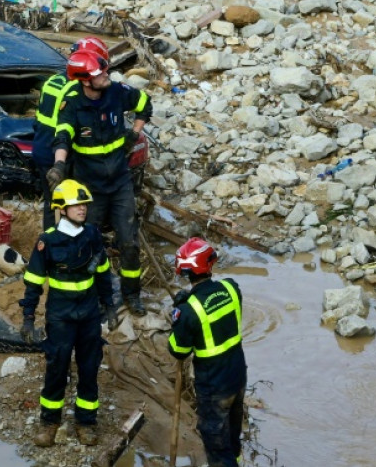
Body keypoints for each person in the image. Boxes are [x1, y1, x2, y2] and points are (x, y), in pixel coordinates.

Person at [49, 49, 153, 316]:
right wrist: (59, 166)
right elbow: (62, 136)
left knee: (128, 243)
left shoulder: (118, 92)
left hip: (119, 183)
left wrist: (134, 133)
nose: (106, 75)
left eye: (105, 70)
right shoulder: (72, 104)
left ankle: (132, 295)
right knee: (89, 245)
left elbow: (145, 105)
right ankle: (95, 298)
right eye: (100, 73)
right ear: (85, 80)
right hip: (90, 188)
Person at [19, 179, 118, 447]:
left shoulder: (93, 235)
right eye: (76, 205)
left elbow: (103, 274)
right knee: (56, 367)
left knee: (89, 368)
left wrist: (109, 306)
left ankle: (86, 423)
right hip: (60, 315)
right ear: (62, 208)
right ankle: (49, 422)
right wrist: (28, 317)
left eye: (84, 205)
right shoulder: (47, 241)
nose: (82, 209)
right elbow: (34, 282)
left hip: (88, 315)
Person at [168, 237, 247, 467]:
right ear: (209, 264)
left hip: (214, 386)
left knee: (216, 444)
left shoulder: (188, 312)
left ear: (185, 272)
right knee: (233, 436)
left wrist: (178, 318)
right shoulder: (232, 288)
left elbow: (178, 351)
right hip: (238, 376)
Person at [32, 36, 109, 231]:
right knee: (77, 201)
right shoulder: (77, 90)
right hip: (64, 156)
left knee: (53, 204)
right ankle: (75, 246)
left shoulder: (53, 80)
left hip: (42, 149)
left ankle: (52, 244)